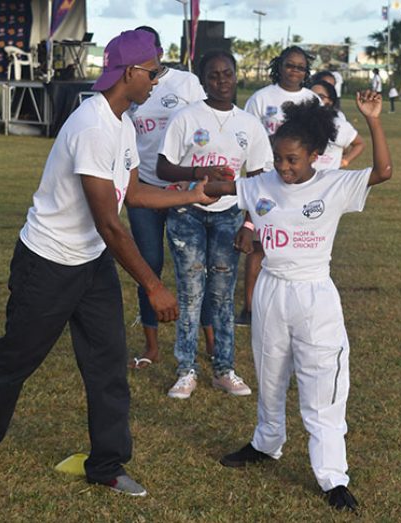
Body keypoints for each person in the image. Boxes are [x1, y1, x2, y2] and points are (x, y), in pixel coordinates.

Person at [0, 30, 217, 497]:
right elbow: (110, 225)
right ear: (130, 73)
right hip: (48, 261)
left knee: (108, 365)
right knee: (17, 357)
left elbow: (131, 194)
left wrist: (192, 193)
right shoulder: (92, 126)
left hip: (91, 264)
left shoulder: (124, 123)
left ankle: (107, 465)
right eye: (153, 72)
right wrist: (154, 286)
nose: (156, 81)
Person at [207, 92, 392, 511]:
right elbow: (225, 188)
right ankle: (266, 442)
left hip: (314, 294)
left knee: (322, 384)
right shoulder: (262, 184)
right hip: (272, 288)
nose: (284, 167)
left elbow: (383, 171)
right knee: (269, 373)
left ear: (313, 154)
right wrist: (213, 178)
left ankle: (332, 477)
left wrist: (374, 121)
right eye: (278, 159)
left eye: (292, 159)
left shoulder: (333, 183)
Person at [157, 50, 273, 399]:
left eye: (227, 74)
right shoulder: (186, 118)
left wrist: (249, 226)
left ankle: (224, 369)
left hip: (228, 215)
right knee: (191, 292)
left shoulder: (250, 125)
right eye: (213, 76)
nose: (221, 81)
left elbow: (259, 181)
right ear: (203, 80)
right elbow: (163, 168)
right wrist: (199, 174)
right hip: (186, 211)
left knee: (222, 295)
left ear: (236, 76)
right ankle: (186, 370)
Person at [125, 25, 212, 370]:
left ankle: (210, 341)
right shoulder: (133, 85)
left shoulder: (186, 83)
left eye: (149, 49)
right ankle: (151, 347)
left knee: (194, 268)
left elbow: (204, 124)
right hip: (145, 188)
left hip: (183, 191)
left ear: (160, 50)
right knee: (148, 265)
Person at [239, 46, 319, 326]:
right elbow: (246, 133)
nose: (294, 71)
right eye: (289, 65)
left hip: (299, 183)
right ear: (279, 66)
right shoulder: (261, 98)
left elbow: (318, 136)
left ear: (305, 72)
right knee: (261, 245)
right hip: (267, 180)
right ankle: (249, 309)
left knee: (295, 242)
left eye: (300, 67)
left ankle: (292, 307)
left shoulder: (311, 99)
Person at [309, 80, 365, 170]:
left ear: (330, 101)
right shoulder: (296, 123)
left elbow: (360, 143)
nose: (315, 100)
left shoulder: (339, 124)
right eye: (311, 96)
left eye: (321, 97)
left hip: (330, 181)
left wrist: (345, 161)